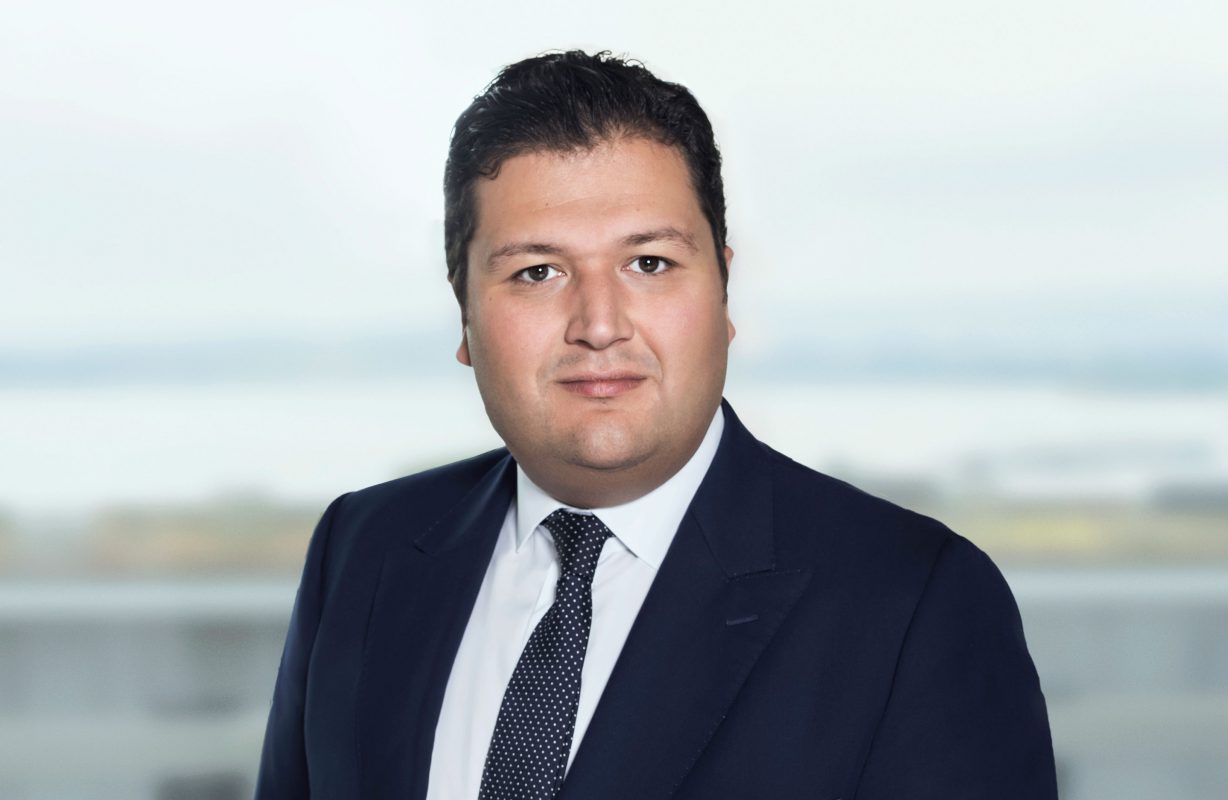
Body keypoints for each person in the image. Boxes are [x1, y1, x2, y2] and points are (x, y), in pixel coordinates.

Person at [256, 50, 1058, 799]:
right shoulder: (361, 549)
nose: (600, 325)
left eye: (649, 264)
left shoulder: (914, 604)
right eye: (538, 272)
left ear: (724, 294)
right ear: (465, 314)